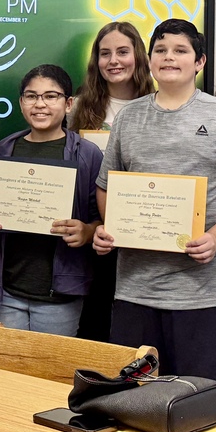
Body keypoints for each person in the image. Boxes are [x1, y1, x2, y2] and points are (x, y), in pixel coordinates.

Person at [94, 19, 216, 390]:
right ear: (150, 59)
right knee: (132, 401)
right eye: (160, 50)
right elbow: (106, 186)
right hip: (135, 292)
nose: (168, 57)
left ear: (200, 62)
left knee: (197, 405)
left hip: (205, 296)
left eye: (180, 50)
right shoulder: (129, 117)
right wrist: (111, 227)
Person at [0, 64, 103, 336]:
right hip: (6, 289)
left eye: (51, 96)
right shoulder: (3, 150)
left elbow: (101, 218)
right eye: (31, 96)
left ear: (68, 104)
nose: (40, 104)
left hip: (60, 294)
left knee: (50, 373)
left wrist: (87, 231)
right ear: (21, 103)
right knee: (4, 372)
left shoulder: (88, 154)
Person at [69, 22, 154, 342]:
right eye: (105, 54)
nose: (113, 60)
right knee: (94, 326)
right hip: (92, 232)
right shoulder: (77, 109)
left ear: (139, 57)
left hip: (142, 230)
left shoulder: (157, 105)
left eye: (122, 52)